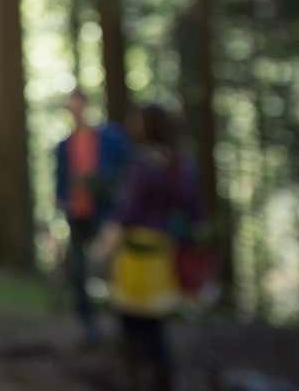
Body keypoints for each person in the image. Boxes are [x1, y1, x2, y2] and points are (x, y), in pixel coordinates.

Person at [94, 103, 204, 391]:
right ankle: (160, 378)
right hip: (163, 254)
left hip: (136, 255)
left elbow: (125, 212)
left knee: (132, 327)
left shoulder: (143, 165)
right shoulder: (181, 165)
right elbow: (195, 212)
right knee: (155, 328)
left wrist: (102, 249)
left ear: (147, 126)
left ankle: (141, 379)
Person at [54, 87, 130, 344]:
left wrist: (105, 186)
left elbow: (126, 166)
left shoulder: (109, 137)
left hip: (104, 213)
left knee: (112, 268)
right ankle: (89, 327)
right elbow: (60, 182)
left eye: (78, 106)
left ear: (86, 106)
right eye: (71, 107)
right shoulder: (64, 146)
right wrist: (62, 202)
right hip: (77, 215)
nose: (75, 112)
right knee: (78, 271)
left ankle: (125, 325)